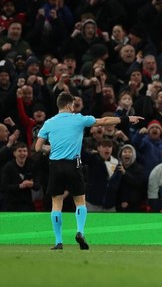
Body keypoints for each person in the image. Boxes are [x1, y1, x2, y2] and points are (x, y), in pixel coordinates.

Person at [34, 92, 143, 250]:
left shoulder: (49, 123)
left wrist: (49, 148)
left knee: (56, 203)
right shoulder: (78, 119)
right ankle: (80, 232)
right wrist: (127, 119)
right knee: (80, 201)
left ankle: (58, 241)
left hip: (56, 165)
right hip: (74, 164)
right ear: (69, 105)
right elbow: (104, 121)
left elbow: (38, 147)